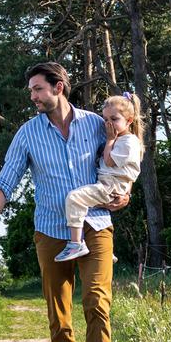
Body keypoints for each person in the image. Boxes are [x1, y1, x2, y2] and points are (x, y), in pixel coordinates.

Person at [0, 62, 130, 342]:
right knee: (59, 311)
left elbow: (121, 162)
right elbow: (4, 182)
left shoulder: (97, 124)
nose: (33, 96)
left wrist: (125, 194)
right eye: (30, 90)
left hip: (97, 224)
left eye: (37, 89)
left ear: (59, 87)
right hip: (51, 231)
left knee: (98, 303)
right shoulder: (28, 133)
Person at [53, 94, 143, 263]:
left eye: (114, 119)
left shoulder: (128, 141)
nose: (108, 124)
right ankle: (105, 251)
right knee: (84, 205)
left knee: (74, 198)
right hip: (108, 185)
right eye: (105, 119)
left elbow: (109, 161)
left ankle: (75, 243)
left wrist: (109, 140)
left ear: (129, 121)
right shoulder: (121, 139)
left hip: (111, 187)